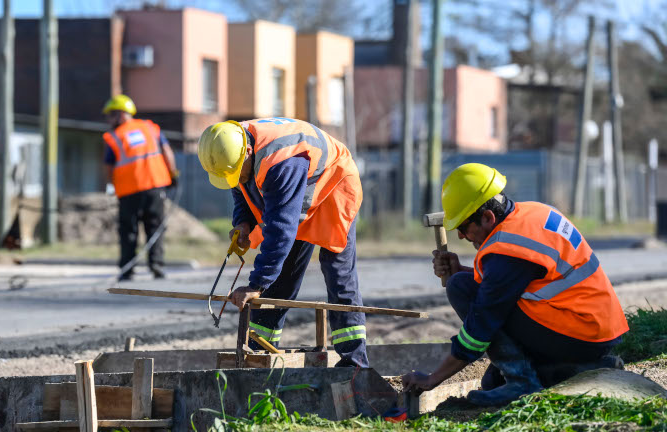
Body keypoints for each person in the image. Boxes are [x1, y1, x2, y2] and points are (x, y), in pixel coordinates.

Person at [402, 163, 628, 406]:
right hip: (594, 328)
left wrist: (432, 379)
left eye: (463, 228)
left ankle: (522, 383)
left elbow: (481, 327)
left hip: (581, 333)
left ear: (488, 217)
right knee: (492, 382)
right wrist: (463, 270)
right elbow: (514, 282)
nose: (461, 236)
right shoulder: (532, 213)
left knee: (460, 287)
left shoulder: (508, 251)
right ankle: (588, 369)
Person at [197, 117, 368, 367]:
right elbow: (238, 186)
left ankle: (354, 363)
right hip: (295, 186)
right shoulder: (229, 144)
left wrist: (256, 284)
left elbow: (280, 230)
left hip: (333, 186)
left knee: (338, 274)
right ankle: (259, 351)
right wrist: (243, 221)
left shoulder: (281, 162)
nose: (236, 178)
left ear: (247, 153)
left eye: (237, 171)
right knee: (280, 280)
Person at [102, 94, 179, 281]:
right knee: (155, 227)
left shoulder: (115, 136)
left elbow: (108, 167)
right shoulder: (149, 128)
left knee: (128, 231)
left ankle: (127, 270)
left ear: (121, 114)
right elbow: (167, 151)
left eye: (110, 115)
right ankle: (157, 266)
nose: (108, 120)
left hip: (128, 191)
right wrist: (173, 174)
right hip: (154, 187)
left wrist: (112, 185)